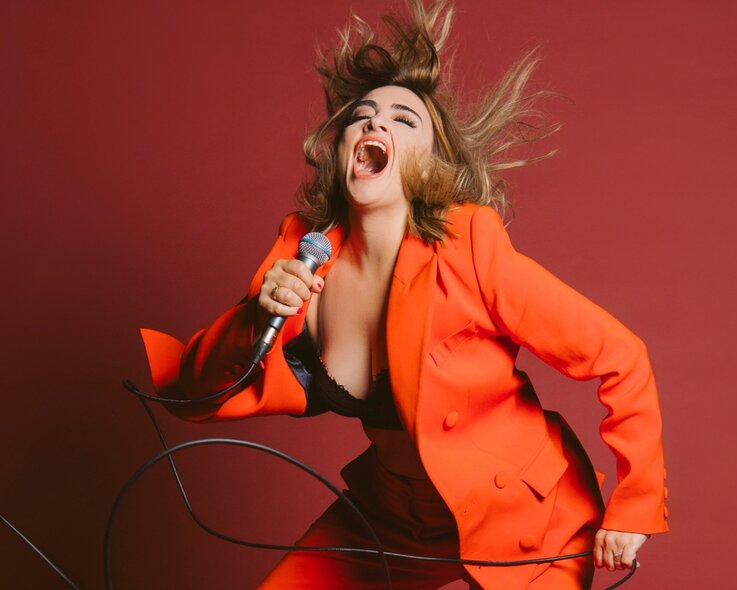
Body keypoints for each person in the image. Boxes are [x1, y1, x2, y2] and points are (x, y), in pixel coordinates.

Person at [140, 1, 668, 588]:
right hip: (393, 518)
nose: (374, 125)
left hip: (523, 517)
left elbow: (621, 356)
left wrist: (635, 504)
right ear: (340, 150)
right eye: (361, 117)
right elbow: (199, 390)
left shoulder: (469, 246)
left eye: (403, 119)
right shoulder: (301, 255)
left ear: (430, 164)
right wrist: (256, 315)